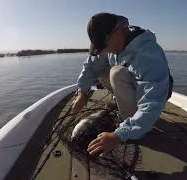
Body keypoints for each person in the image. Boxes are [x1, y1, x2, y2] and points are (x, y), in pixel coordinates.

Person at [71, 12, 173, 156]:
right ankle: (123, 105)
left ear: (117, 33)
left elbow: (152, 103)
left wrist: (118, 136)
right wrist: (82, 93)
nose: (102, 51)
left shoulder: (149, 55)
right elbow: (91, 66)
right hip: (131, 85)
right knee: (101, 70)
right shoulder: (112, 44)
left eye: (103, 45)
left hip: (154, 95)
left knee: (116, 73)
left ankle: (133, 124)